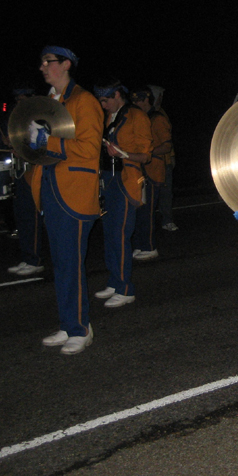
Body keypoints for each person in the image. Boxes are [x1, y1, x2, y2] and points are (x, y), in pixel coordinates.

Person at [33, 45, 103, 355]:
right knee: (61, 264)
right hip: (51, 189)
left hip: (74, 192)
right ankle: (67, 324)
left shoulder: (84, 101)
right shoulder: (50, 102)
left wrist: (46, 140)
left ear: (65, 65)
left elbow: (89, 149)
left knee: (71, 264)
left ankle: (80, 328)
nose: (42, 68)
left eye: (47, 63)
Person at [93, 81, 153, 307]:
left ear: (117, 95)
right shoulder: (110, 116)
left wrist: (122, 153)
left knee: (120, 235)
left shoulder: (137, 116)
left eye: (105, 100)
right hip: (109, 179)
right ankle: (115, 280)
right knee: (109, 234)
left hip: (127, 179)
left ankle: (125, 288)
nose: (103, 105)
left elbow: (145, 156)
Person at [5, 86, 46, 276]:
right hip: (21, 173)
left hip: (34, 174)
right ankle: (27, 256)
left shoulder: (41, 120)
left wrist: (24, 150)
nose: (19, 104)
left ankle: (34, 259)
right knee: (22, 217)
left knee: (31, 218)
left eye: (22, 100)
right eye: (17, 101)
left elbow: (43, 149)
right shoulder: (20, 122)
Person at [131, 87, 172, 260]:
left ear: (145, 100)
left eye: (137, 100)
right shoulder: (141, 119)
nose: (135, 104)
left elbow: (167, 145)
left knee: (147, 211)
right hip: (141, 172)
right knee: (139, 211)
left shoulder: (158, 119)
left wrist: (148, 152)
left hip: (153, 171)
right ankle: (140, 245)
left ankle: (149, 246)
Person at [148, 84, 178, 232]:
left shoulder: (160, 114)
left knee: (165, 193)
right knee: (154, 194)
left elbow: (167, 139)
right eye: (159, 96)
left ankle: (166, 220)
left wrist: (171, 156)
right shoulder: (150, 115)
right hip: (152, 161)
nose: (160, 99)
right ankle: (152, 222)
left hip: (162, 160)